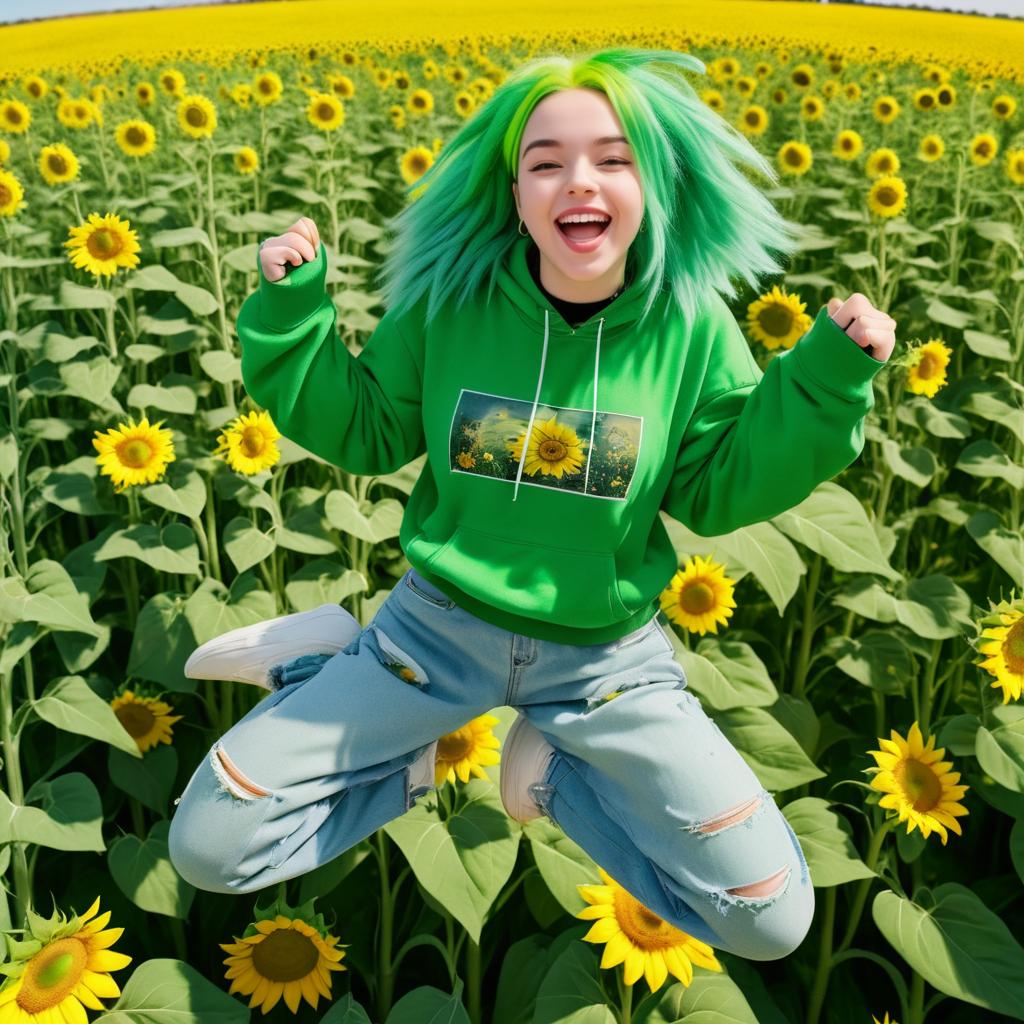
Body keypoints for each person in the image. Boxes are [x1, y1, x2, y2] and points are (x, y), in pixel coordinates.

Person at [168, 47, 895, 962]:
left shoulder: (692, 326)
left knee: (771, 919)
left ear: (654, 185)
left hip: (605, 663)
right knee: (210, 847)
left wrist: (826, 381)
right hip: (432, 638)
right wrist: (293, 313)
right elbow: (368, 431)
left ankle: (545, 772)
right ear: (515, 195)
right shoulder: (449, 306)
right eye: (545, 163)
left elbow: (717, 486)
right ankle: (334, 676)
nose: (577, 182)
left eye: (612, 159)